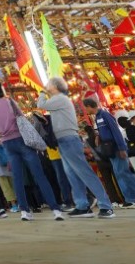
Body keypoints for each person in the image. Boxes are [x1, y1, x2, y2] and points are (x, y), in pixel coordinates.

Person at [0, 81, 63, 221]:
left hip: (7, 144)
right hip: (21, 140)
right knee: (39, 175)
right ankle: (55, 209)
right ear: (0, 89)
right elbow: (20, 116)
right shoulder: (8, 101)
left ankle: (24, 211)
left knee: (18, 178)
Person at [37, 78, 114, 218]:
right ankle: (82, 205)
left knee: (84, 172)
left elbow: (41, 104)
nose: (46, 86)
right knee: (72, 175)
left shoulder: (60, 98)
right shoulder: (59, 100)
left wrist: (42, 91)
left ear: (55, 87)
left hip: (68, 140)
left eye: (49, 85)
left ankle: (105, 205)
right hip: (63, 140)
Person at [81, 97, 135, 209]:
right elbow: (106, 133)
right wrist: (99, 136)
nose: (85, 111)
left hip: (117, 149)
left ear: (88, 106)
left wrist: (121, 148)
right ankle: (131, 200)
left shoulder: (105, 115)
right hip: (110, 150)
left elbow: (115, 131)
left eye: (85, 108)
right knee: (120, 174)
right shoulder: (98, 117)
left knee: (123, 173)